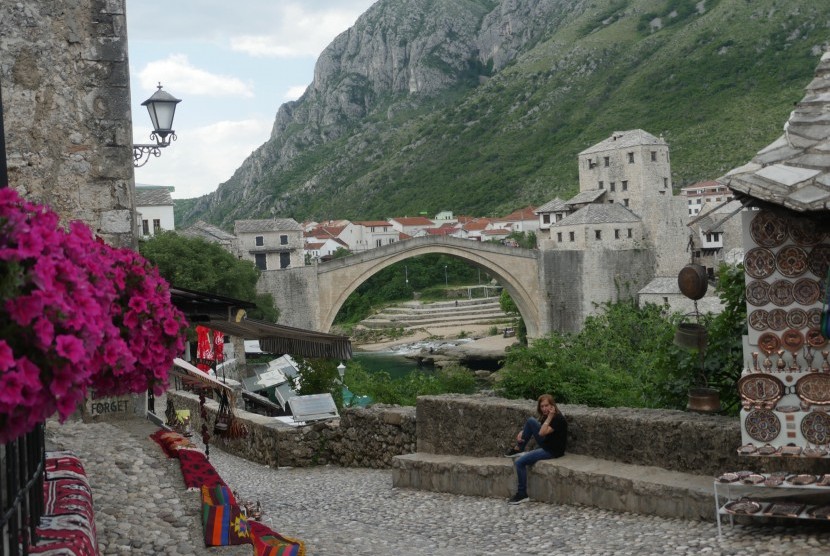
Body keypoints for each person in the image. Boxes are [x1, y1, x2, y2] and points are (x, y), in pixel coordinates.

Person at [504, 394, 567, 505]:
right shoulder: (545, 415)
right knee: (530, 421)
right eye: (542, 406)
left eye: (546, 405)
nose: (544, 408)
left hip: (552, 450)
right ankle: (518, 449)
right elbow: (536, 425)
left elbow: (541, 432)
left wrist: (550, 417)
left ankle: (522, 494)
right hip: (546, 444)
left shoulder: (557, 418)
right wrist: (522, 432)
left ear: (552, 405)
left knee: (520, 463)